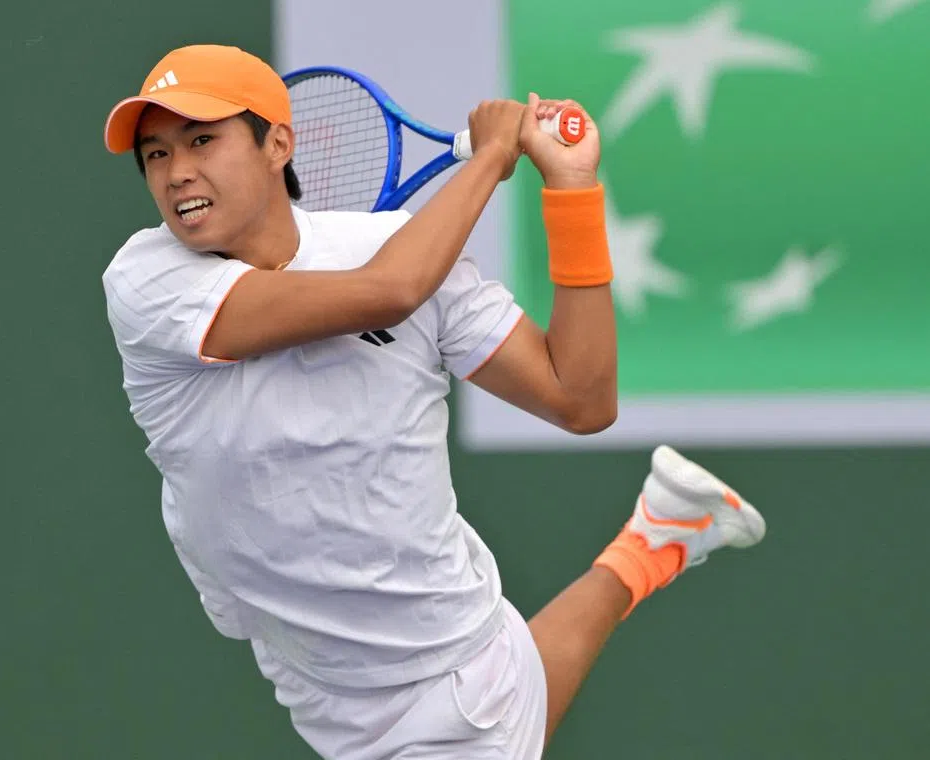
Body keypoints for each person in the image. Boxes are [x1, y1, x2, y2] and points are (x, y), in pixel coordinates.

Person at [100, 44, 766, 759]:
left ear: (278, 144)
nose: (177, 171)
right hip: (308, 668)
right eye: (156, 154)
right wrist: (491, 158)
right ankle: (653, 540)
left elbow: (580, 398)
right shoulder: (146, 279)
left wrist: (571, 188)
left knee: (506, 701)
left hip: (451, 671)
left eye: (202, 140)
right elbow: (389, 291)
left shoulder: (404, 249)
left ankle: (651, 544)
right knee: (526, 691)